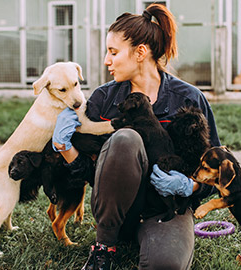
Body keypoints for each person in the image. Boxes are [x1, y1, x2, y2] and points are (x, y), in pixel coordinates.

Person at [52, 4, 221, 270]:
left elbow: (215, 172)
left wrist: (189, 186)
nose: (107, 60)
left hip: (165, 212)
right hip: (116, 215)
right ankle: (103, 249)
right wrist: (65, 149)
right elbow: (91, 173)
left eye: (113, 52)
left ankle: (153, 241)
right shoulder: (103, 99)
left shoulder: (188, 99)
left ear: (140, 52)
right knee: (126, 139)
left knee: (165, 265)